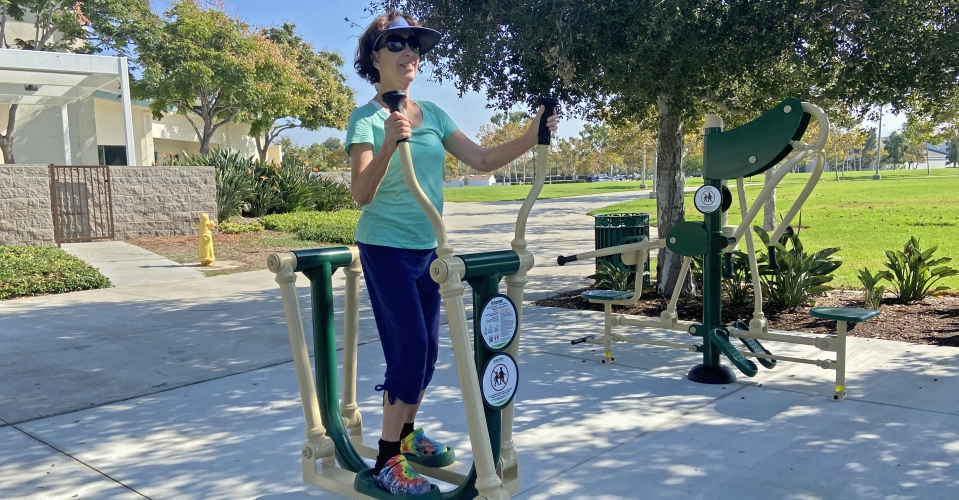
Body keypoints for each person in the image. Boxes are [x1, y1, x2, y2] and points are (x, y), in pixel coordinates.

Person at [347, 11, 558, 496]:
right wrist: (387, 145)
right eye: (396, 43)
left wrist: (532, 134)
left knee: (428, 353)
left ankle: (405, 434)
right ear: (373, 56)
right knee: (409, 351)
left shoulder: (434, 115)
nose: (409, 52)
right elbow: (360, 193)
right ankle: (386, 459)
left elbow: (481, 159)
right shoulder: (367, 118)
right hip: (385, 248)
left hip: (429, 248)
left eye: (415, 45)